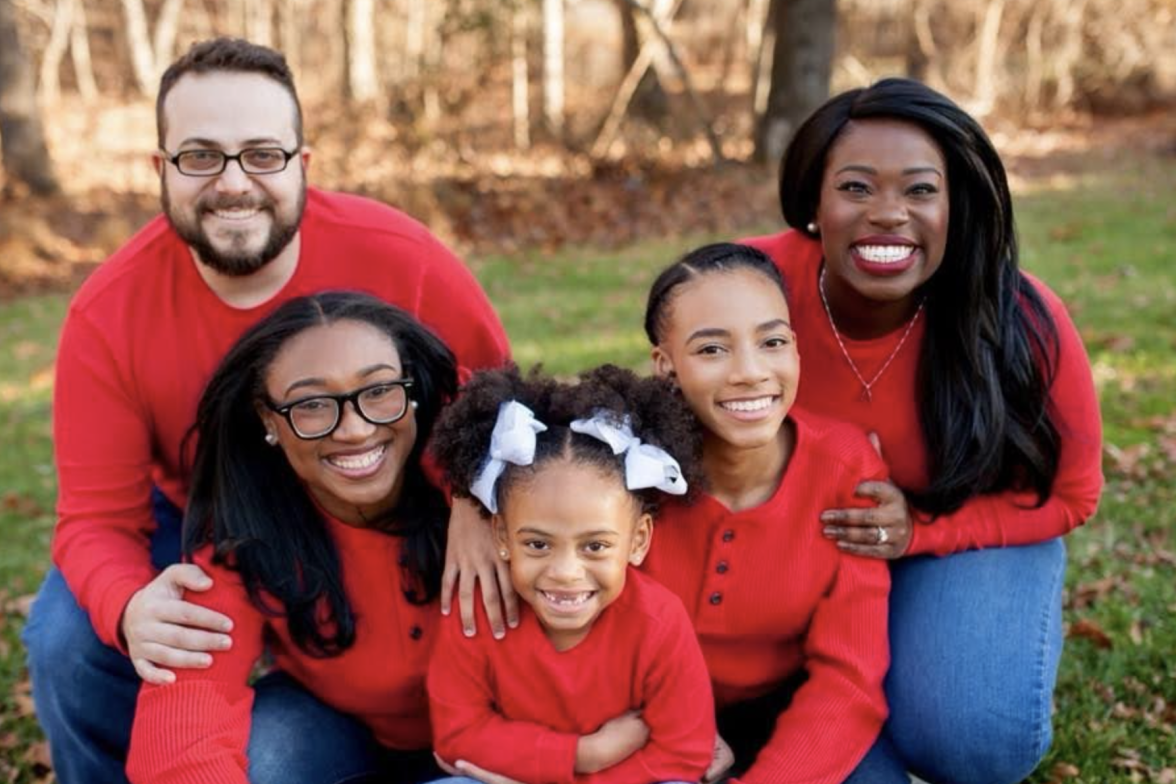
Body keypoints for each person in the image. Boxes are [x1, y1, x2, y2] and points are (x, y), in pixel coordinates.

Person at [22, 37, 509, 784]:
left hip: (412, 502)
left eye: (261, 154)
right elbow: (94, 519)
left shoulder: (400, 257)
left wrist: (479, 495)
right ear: (161, 170)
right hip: (221, 518)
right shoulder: (109, 313)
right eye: (200, 157)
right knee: (67, 635)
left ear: (301, 164)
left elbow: (501, 406)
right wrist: (130, 608)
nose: (233, 183)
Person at [740, 78, 1103, 784]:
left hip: (956, 538)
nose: (887, 216)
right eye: (855, 188)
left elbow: (1074, 496)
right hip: (797, 555)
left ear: (954, 205)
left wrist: (921, 532)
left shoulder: (1018, 320)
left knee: (972, 739)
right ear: (812, 202)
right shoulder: (744, 289)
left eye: (919, 191)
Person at [127, 291, 460, 783]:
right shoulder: (248, 536)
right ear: (268, 420)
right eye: (312, 405)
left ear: (411, 393)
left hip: (508, 748)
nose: (354, 428)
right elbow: (185, 724)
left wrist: (478, 499)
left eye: (379, 391)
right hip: (338, 732)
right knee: (269, 755)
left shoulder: (488, 493)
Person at [641, 242, 907, 784]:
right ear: (666, 367)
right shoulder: (625, 466)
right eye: (712, 350)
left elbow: (849, 677)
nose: (750, 372)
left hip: (790, 712)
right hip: (641, 719)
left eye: (773, 342)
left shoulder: (846, 468)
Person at [426, 365, 717, 784]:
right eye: (538, 545)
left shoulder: (659, 622)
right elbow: (457, 738)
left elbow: (684, 753)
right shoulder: (478, 610)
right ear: (501, 535)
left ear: (637, 541)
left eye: (594, 546)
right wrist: (583, 755)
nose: (565, 572)